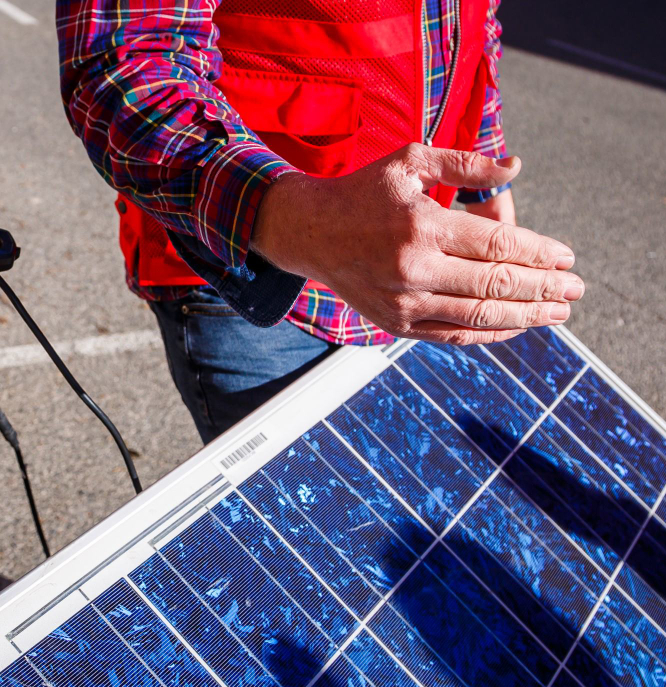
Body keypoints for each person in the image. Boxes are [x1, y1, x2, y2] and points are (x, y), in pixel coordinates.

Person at [58, 0, 583, 442]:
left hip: (414, 258)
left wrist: (486, 173)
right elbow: (126, 65)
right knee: (306, 536)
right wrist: (298, 222)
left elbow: (471, 28)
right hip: (249, 278)